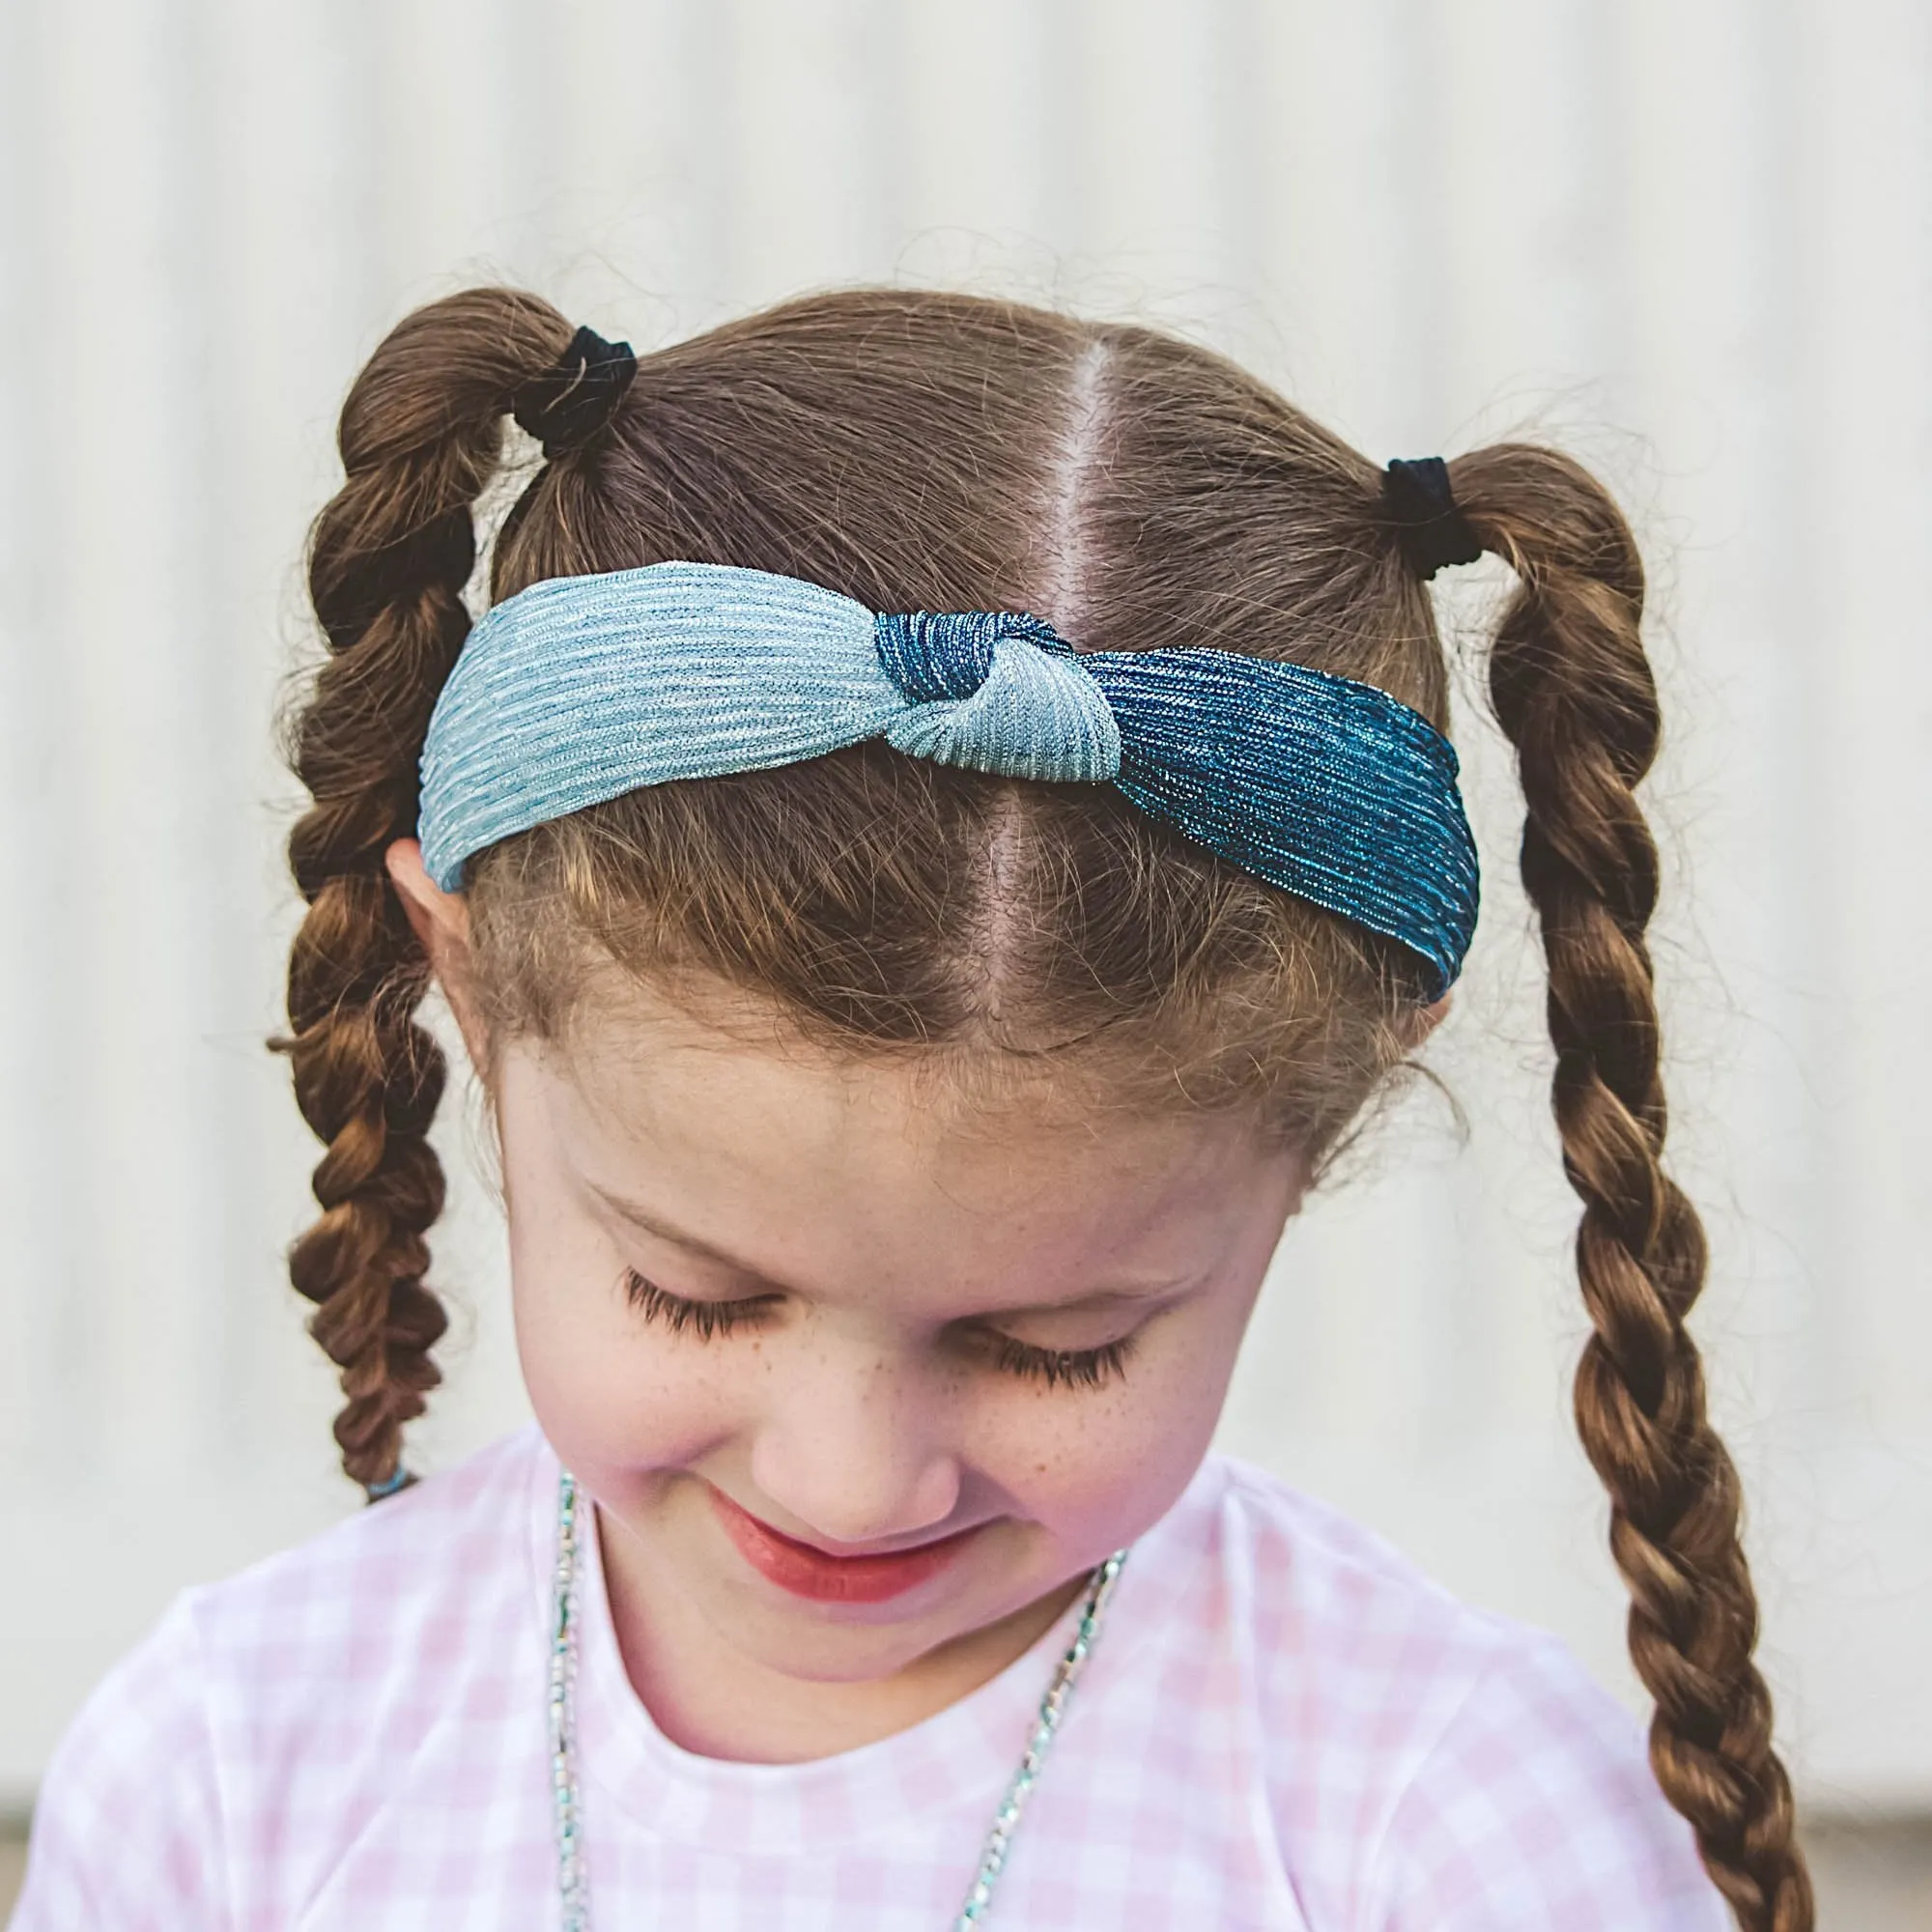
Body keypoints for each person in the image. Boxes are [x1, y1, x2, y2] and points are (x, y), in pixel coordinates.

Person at [11, 286, 1810, 1930]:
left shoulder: (1444, 1826)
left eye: (1052, 1345)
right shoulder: (231, 1777)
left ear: (1327, 1119)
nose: (851, 1475)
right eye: (697, 1295)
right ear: (469, 992)